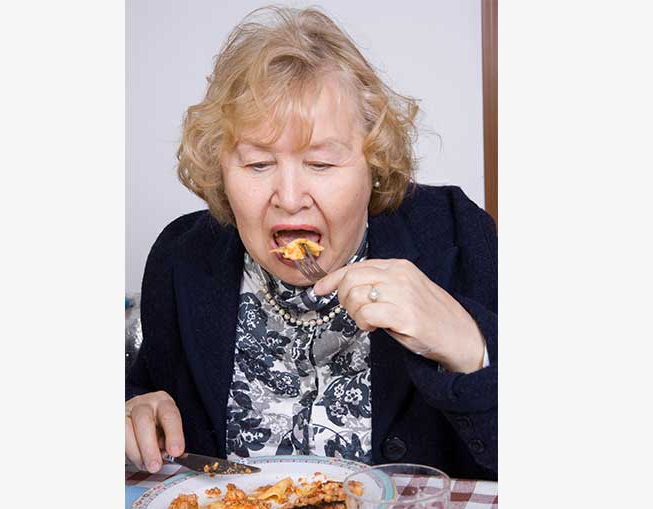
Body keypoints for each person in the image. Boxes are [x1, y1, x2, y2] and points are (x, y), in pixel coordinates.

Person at [126, 6, 497, 481]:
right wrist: (136, 410)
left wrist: (471, 349)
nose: (289, 198)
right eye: (258, 164)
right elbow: (147, 397)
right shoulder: (180, 258)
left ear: (374, 166)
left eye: (321, 164)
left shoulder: (456, 235)